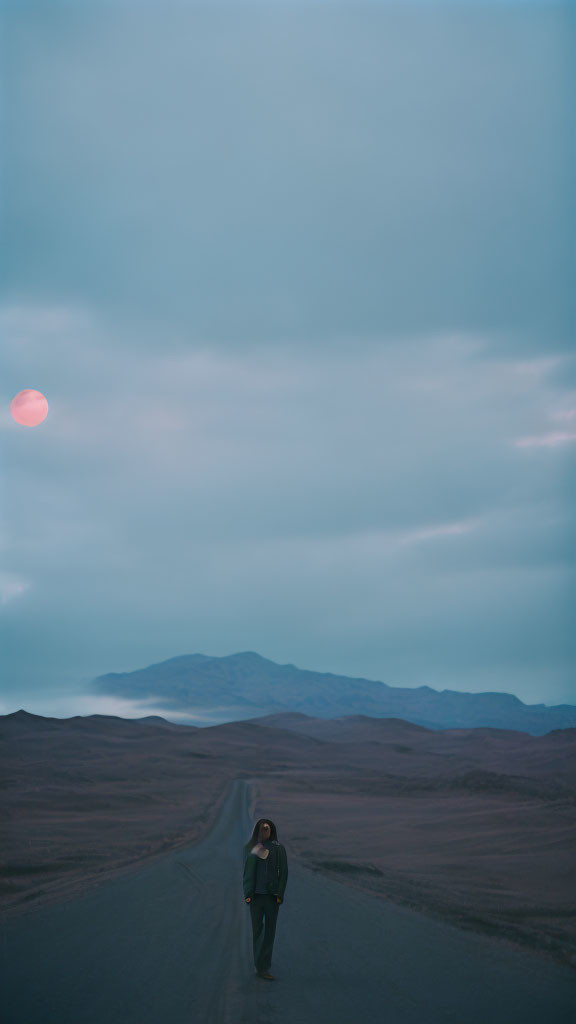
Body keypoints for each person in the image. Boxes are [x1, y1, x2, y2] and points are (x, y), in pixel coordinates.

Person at [242, 818, 288, 980]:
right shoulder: (253, 849)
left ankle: (264, 967)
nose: (264, 831)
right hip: (256, 898)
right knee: (257, 932)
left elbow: (283, 873)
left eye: (267, 828)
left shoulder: (279, 849)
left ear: (272, 830)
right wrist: (248, 895)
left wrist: (279, 895)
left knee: (270, 933)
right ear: (257, 830)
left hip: (272, 898)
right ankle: (259, 965)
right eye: (262, 829)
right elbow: (248, 873)